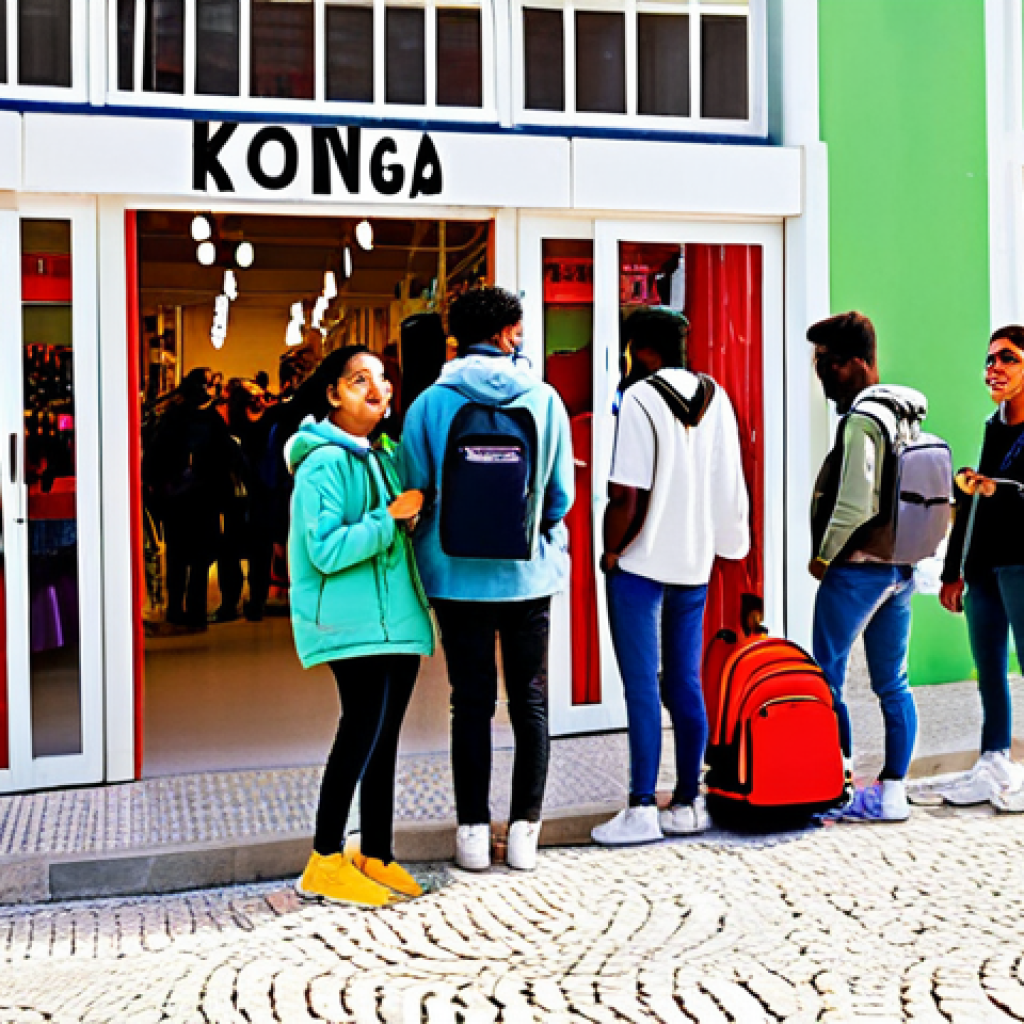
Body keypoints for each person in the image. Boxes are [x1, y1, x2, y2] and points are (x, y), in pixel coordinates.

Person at [400, 286, 574, 873]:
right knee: (530, 701)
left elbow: (416, 488)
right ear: (505, 334)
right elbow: (560, 497)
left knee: (469, 702)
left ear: (458, 337)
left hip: (455, 577)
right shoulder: (544, 399)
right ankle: (524, 835)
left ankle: (472, 834)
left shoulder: (429, 403)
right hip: (528, 575)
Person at [590, 308, 750, 845]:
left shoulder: (639, 397)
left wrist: (611, 551)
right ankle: (688, 801)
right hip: (694, 561)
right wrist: (727, 544)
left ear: (641, 347)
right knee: (684, 681)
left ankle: (641, 807)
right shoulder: (716, 396)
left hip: (640, 562)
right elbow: (730, 480)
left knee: (641, 685)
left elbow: (625, 494)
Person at [286, 345, 434, 907]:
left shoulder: (382, 454)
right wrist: (388, 518)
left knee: (382, 737)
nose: (377, 390)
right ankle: (324, 859)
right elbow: (323, 550)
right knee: (360, 732)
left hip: (394, 620)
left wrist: (406, 518)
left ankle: (376, 852)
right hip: (355, 624)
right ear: (332, 394)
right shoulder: (322, 462)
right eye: (359, 381)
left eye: (383, 380)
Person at [808, 311, 926, 823]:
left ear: (858, 362)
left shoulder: (862, 419)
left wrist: (823, 555)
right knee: (893, 682)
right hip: (899, 566)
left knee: (826, 678)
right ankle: (892, 792)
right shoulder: (904, 411)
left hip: (857, 568)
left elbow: (855, 502)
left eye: (828, 363)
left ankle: (833, 787)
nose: (822, 375)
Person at [938, 325, 1024, 806]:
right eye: (991, 359)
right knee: (989, 669)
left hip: (1021, 563)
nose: (995, 367)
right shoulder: (995, 425)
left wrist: (1000, 488)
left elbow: (1005, 490)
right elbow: (970, 503)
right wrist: (953, 570)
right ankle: (994, 762)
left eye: (1008, 358)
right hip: (984, 568)